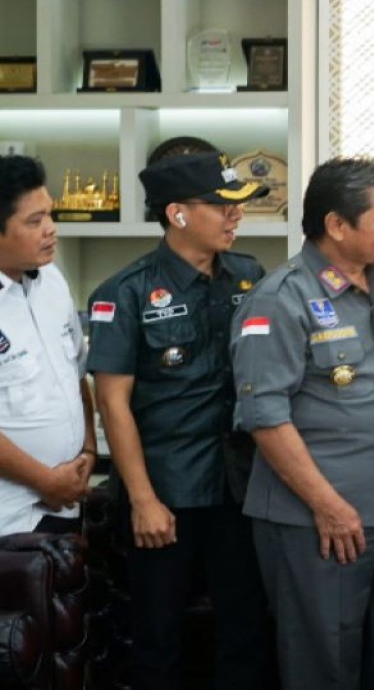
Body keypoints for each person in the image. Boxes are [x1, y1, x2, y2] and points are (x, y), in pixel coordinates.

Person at [231, 156, 374, 689]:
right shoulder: (280, 299)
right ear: (336, 225)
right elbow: (264, 417)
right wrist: (328, 507)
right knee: (322, 664)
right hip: (320, 521)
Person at [87, 152, 273, 689]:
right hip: (166, 492)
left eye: (238, 206)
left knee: (246, 632)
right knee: (157, 638)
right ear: (178, 214)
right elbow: (112, 404)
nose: (235, 217)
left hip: (240, 488)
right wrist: (143, 500)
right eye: (221, 206)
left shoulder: (249, 276)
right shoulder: (125, 292)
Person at [0, 155, 95, 537]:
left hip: (67, 500)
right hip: (10, 515)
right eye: (34, 222)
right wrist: (45, 480)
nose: (51, 231)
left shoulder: (52, 279)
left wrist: (89, 449)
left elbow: (75, 373)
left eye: (50, 216)